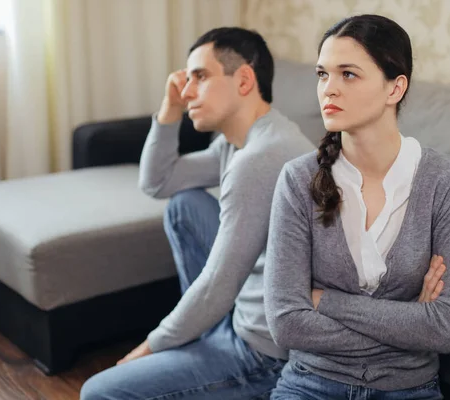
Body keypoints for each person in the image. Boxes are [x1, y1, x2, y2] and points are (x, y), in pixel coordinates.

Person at [80, 27, 316, 400]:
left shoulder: (260, 158)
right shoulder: (241, 142)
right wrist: (169, 110)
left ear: (243, 80)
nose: (186, 91)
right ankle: (205, 338)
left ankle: (226, 368)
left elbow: (218, 282)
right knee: (184, 206)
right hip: (244, 306)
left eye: (200, 77)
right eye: (186, 79)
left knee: (100, 393)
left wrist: (147, 348)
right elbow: (158, 181)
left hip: (265, 353)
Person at [264, 14, 450, 400]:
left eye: (348, 74)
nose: (328, 89)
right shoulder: (297, 180)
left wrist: (324, 301)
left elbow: (445, 328)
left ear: (395, 88)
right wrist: (410, 322)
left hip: (408, 388)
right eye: (322, 74)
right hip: (309, 382)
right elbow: (285, 324)